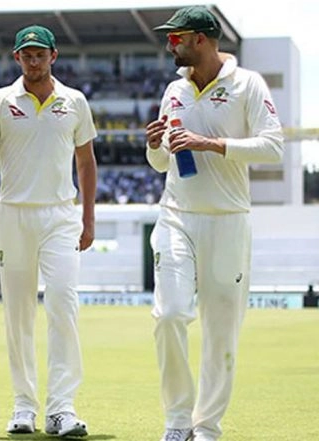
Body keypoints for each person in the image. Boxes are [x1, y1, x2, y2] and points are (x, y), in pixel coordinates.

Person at [146, 6, 284, 441]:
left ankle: (206, 427)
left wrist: (212, 143)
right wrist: (155, 147)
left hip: (227, 220)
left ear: (201, 39)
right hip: (177, 215)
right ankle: (177, 420)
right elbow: (160, 161)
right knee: (169, 315)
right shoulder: (173, 90)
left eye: (177, 37)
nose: (171, 44)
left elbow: (273, 148)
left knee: (221, 332)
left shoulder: (248, 84)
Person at [0, 25, 97, 438]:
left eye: (40, 54)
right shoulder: (0, 101)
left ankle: (61, 408)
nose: (33, 61)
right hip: (14, 214)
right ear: (16, 57)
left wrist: (88, 219)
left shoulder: (74, 101)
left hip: (60, 216)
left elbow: (86, 163)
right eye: (27, 55)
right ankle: (24, 406)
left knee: (62, 303)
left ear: (53, 56)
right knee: (18, 312)